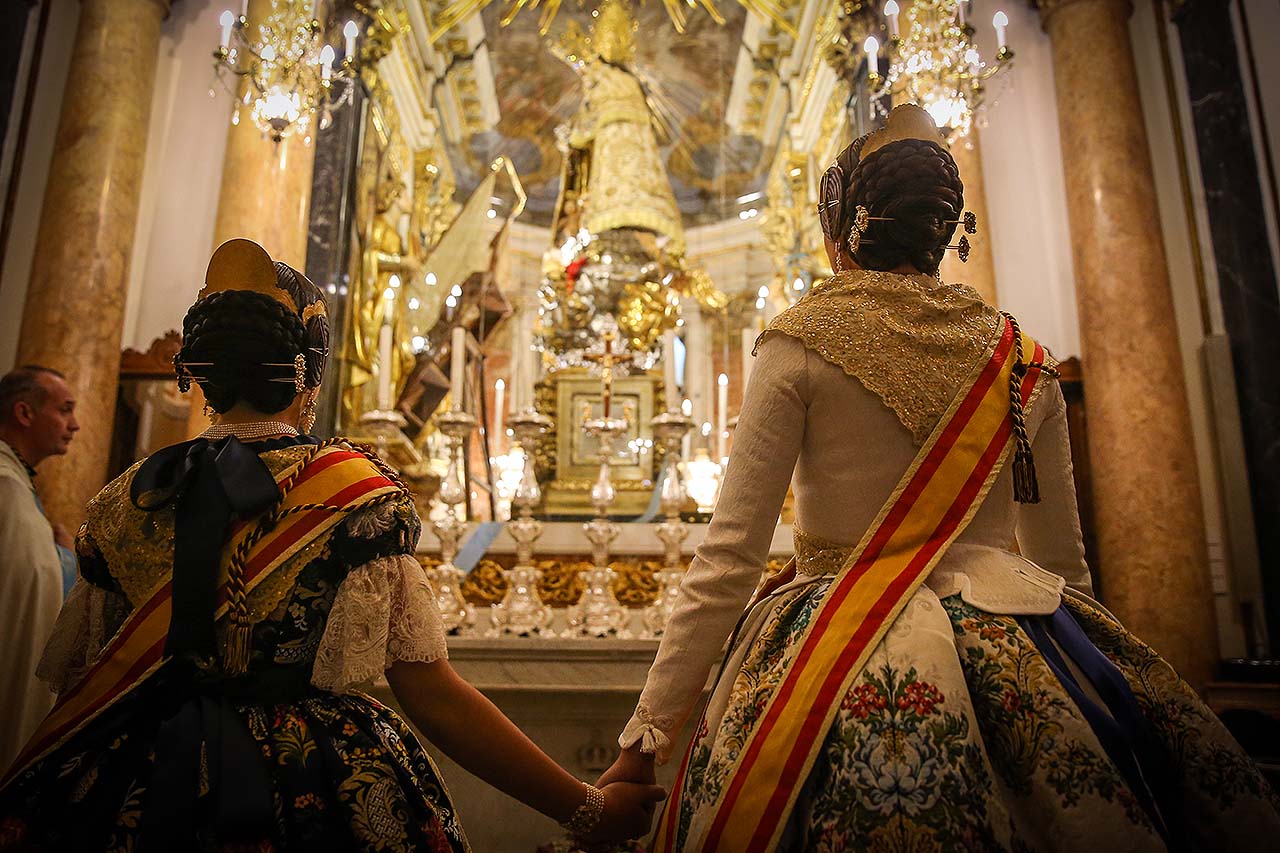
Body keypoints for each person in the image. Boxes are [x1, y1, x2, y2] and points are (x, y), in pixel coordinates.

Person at [600, 105, 1280, 851]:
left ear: (842, 227)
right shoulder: (1025, 358)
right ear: (943, 230)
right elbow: (1063, 569)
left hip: (831, 649)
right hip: (1027, 650)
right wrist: (1089, 686)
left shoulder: (798, 340)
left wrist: (642, 745)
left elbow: (728, 562)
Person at [0, 239, 663, 850]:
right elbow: (430, 692)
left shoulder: (122, 499)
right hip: (307, 787)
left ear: (199, 374)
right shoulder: (354, 492)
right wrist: (584, 808)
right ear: (307, 376)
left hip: (127, 785)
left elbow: (84, 689)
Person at [0, 365, 79, 775]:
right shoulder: (5, 486)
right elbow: (29, 580)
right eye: (65, 410)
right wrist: (68, 559)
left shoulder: (15, 479)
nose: (76, 424)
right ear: (25, 413)